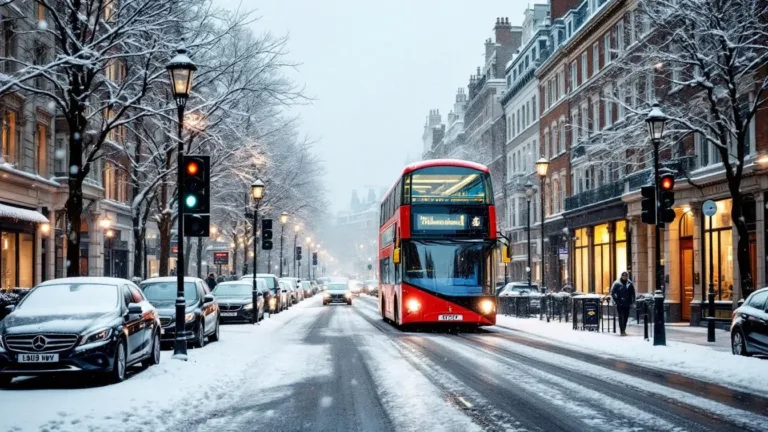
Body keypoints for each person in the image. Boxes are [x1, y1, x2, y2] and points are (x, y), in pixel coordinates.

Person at [610, 271, 636, 336]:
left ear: (627, 276)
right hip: (620, 303)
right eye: (623, 276)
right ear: (621, 276)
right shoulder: (617, 283)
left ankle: (624, 329)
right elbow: (613, 293)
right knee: (621, 317)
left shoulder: (629, 283)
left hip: (627, 303)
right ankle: (622, 331)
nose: (624, 277)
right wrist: (617, 301)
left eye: (625, 276)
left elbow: (633, 293)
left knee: (626, 317)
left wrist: (632, 301)